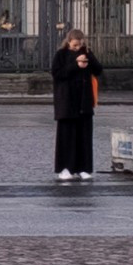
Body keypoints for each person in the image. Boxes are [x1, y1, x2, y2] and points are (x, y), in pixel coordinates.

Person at [47, 28, 102, 181]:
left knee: (84, 137)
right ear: (69, 42)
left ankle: (84, 168)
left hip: (84, 102)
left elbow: (98, 70)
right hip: (66, 102)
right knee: (66, 137)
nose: (78, 48)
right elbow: (57, 74)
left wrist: (89, 57)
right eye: (75, 45)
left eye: (80, 45)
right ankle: (65, 168)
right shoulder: (61, 55)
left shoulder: (87, 54)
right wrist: (75, 65)